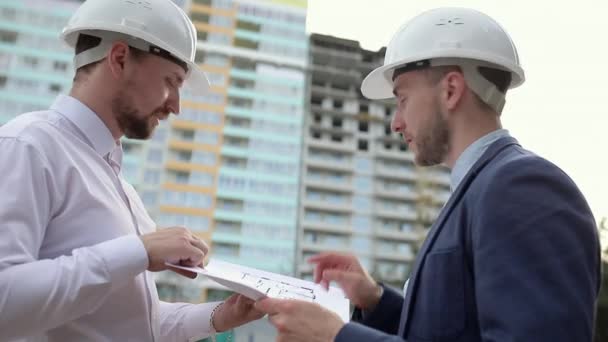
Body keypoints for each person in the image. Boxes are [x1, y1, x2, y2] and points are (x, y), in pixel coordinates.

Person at [255, 7, 601, 342]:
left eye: (402, 99)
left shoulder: (522, 188)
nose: (395, 123)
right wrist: (375, 300)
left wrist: (338, 336)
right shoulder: (484, 190)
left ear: (451, 90)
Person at [0, 0, 263, 340]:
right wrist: (139, 251)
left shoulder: (122, 189)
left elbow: (132, 324)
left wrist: (220, 315)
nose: (175, 106)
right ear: (120, 58)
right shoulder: (27, 146)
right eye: (172, 81)